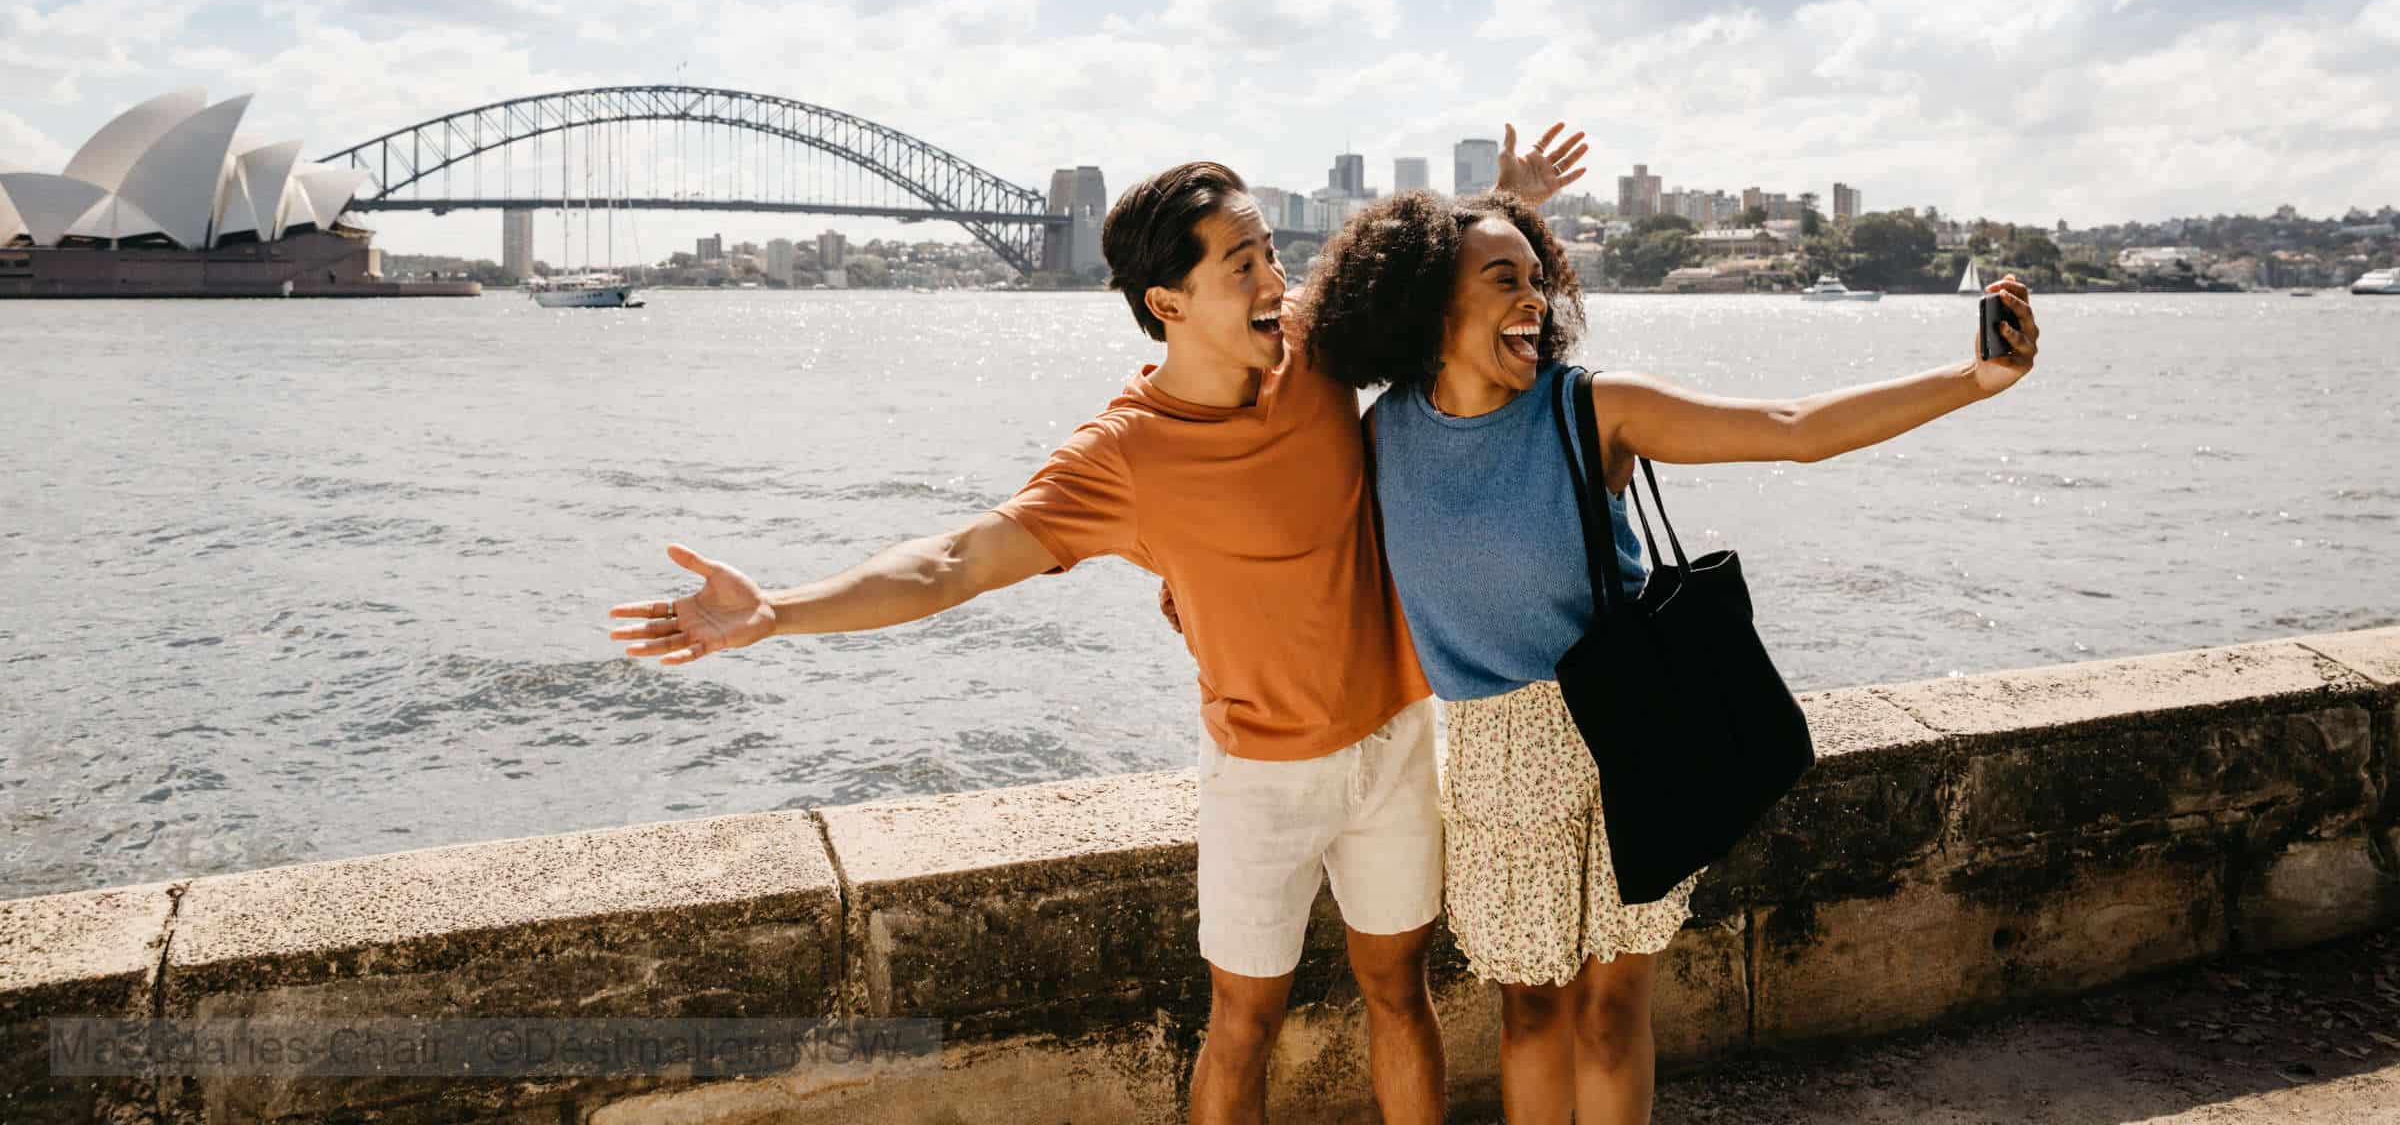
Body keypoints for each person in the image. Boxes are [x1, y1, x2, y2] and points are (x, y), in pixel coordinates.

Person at [606, 128, 1591, 1125]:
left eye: (1272, 257)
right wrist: (778, 611)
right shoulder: (1123, 457)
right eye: (1243, 262)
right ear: (1169, 303)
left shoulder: (1316, 344)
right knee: (1242, 1022)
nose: (1273, 277)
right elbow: (955, 562)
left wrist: (1502, 195)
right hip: (1263, 774)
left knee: (1399, 993)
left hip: (1392, 737)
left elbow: (1425, 275)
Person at [1299, 190, 2040, 1125]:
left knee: (1610, 1017)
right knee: (1529, 1011)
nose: (1534, 300)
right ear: (1426, 303)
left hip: (1627, 734)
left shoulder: (1592, 408)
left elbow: (1792, 428)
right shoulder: (1380, 437)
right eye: (1502, 281)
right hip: (1492, 759)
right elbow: (1296, 536)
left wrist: (1971, 378)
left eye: (1538, 280)